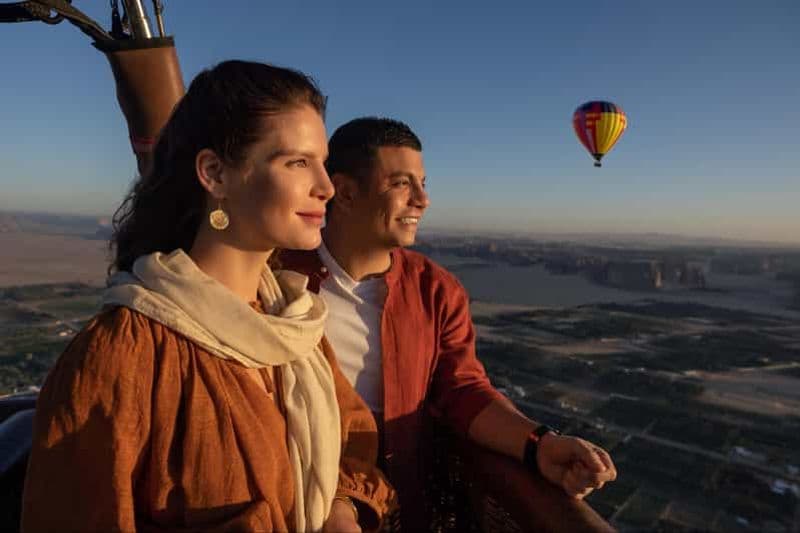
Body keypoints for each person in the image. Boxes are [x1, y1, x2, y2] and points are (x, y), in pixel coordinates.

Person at [22, 62, 393, 533]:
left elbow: (352, 439)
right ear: (215, 174)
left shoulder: (295, 327)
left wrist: (340, 508)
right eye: (298, 162)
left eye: (322, 162)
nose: (326, 187)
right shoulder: (122, 356)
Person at [281, 117, 618, 529]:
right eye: (401, 183)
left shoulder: (436, 290)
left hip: (399, 508)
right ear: (347, 192)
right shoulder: (274, 276)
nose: (422, 200)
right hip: (294, 504)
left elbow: (463, 389)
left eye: (423, 183)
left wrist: (539, 444)